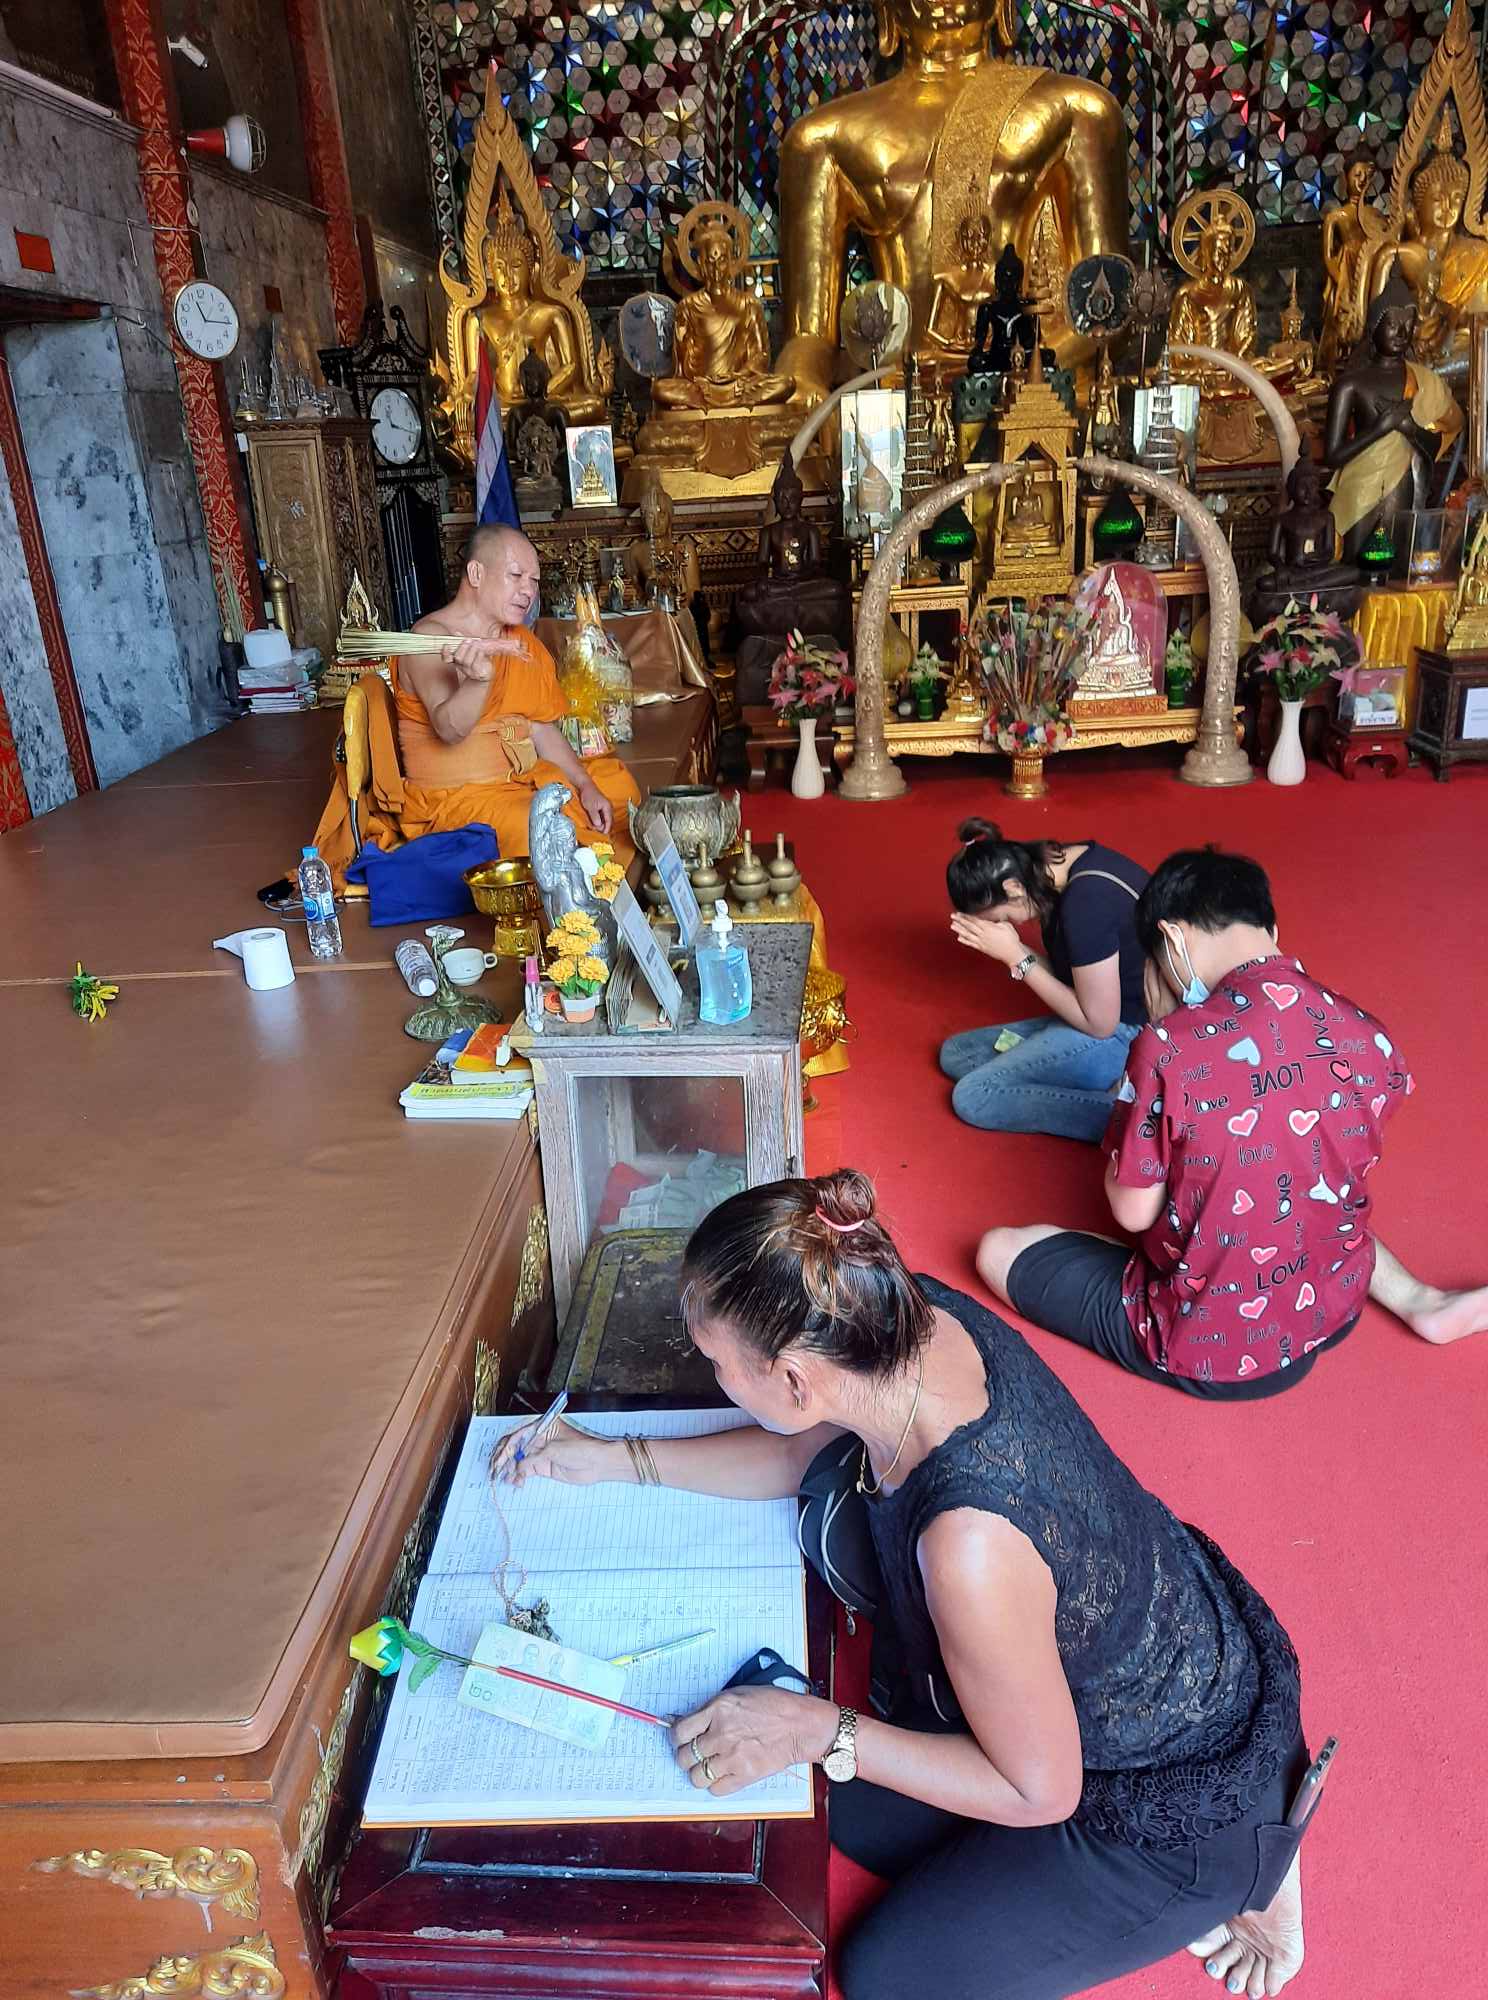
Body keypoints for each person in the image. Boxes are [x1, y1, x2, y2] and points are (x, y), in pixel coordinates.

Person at [500, 1171, 1312, 2000]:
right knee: (845, 1810)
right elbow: (798, 1451)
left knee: (890, 1972)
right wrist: (617, 1460)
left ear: (795, 1380)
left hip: (1174, 1798)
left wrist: (817, 1726)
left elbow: (1040, 1789)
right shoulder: (894, 1316)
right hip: (1110, 1664)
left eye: (716, 1362)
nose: (711, 1376)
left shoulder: (969, 1545)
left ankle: (1256, 1865)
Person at [977, 848, 1488, 1396]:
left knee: (998, 1251)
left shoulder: (1167, 1047)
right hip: (1332, 1305)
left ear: (1172, 939)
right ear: (1270, 928)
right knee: (1303, 1181)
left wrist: (1154, 1060)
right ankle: (1418, 1300)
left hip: (1216, 1347)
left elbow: (1132, 1212)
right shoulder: (1365, 1030)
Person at [391, 524, 640, 863]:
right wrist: (479, 681)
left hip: (519, 781)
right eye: (516, 575)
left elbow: (539, 727)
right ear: (476, 574)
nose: (528, 591)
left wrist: (585, 785)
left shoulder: (518, 643)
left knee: (618, 790)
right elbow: (448, 729)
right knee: (541, 829)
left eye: (534, 581)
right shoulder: (428, 640)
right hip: (456, 799)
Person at [940, 820, 1148, 1143]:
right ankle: (1085, 1081)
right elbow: (1073, 975)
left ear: (1013, 888)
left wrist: (1017, 958)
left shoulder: (1087, 903)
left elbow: (1101, 1024)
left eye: (1001, 918)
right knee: (957, 1053)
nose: (1008, 925)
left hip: (1129, 1035)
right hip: (1096, 1013)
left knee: (974, 1094)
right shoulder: (1054, 869)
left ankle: (1130, 1118)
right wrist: (1015, 949)